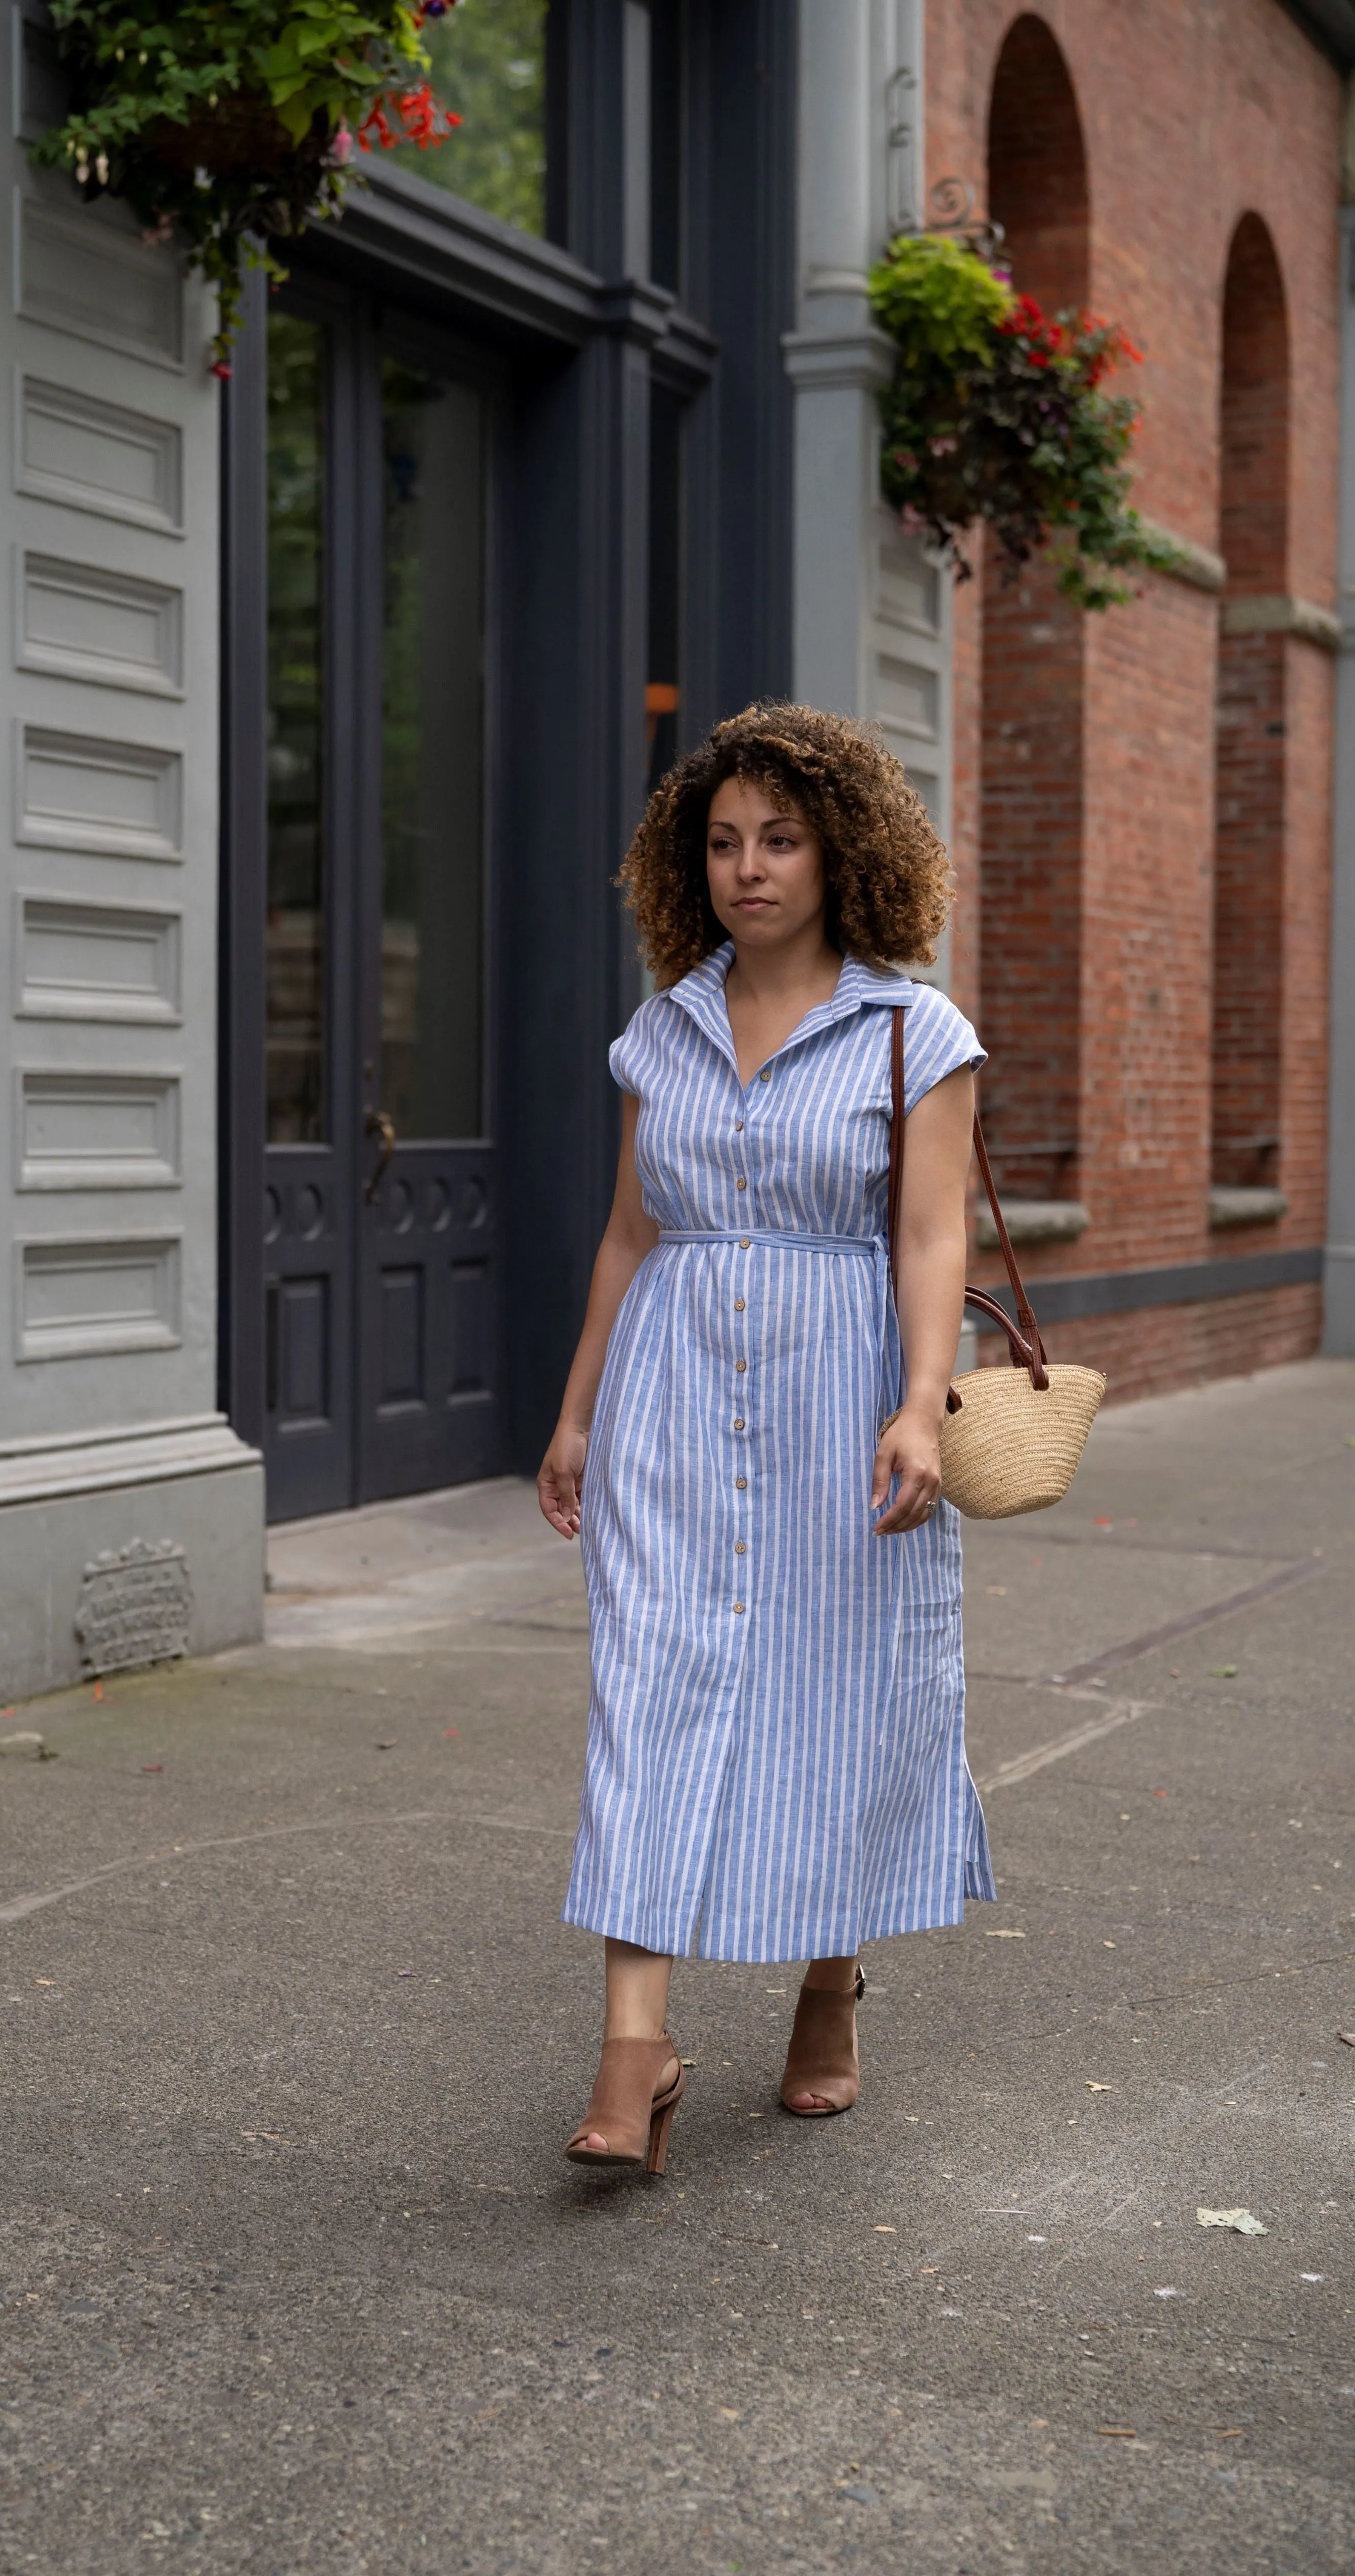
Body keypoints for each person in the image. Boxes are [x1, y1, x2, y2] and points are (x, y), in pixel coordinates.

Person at [537, 702, 994, 2173]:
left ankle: (826, 1978)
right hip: (672, 1393)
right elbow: (628, 1231)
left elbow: (928, 1237)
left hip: (841, 1393)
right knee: (648, 1688)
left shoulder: (913, 1031)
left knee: (836, 1693)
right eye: (724, 841)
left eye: (779, 838)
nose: (749, 867)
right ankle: (635, 2049)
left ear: (838, 850)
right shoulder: (661, 1027)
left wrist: (920, 1404)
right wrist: (575, 1408)